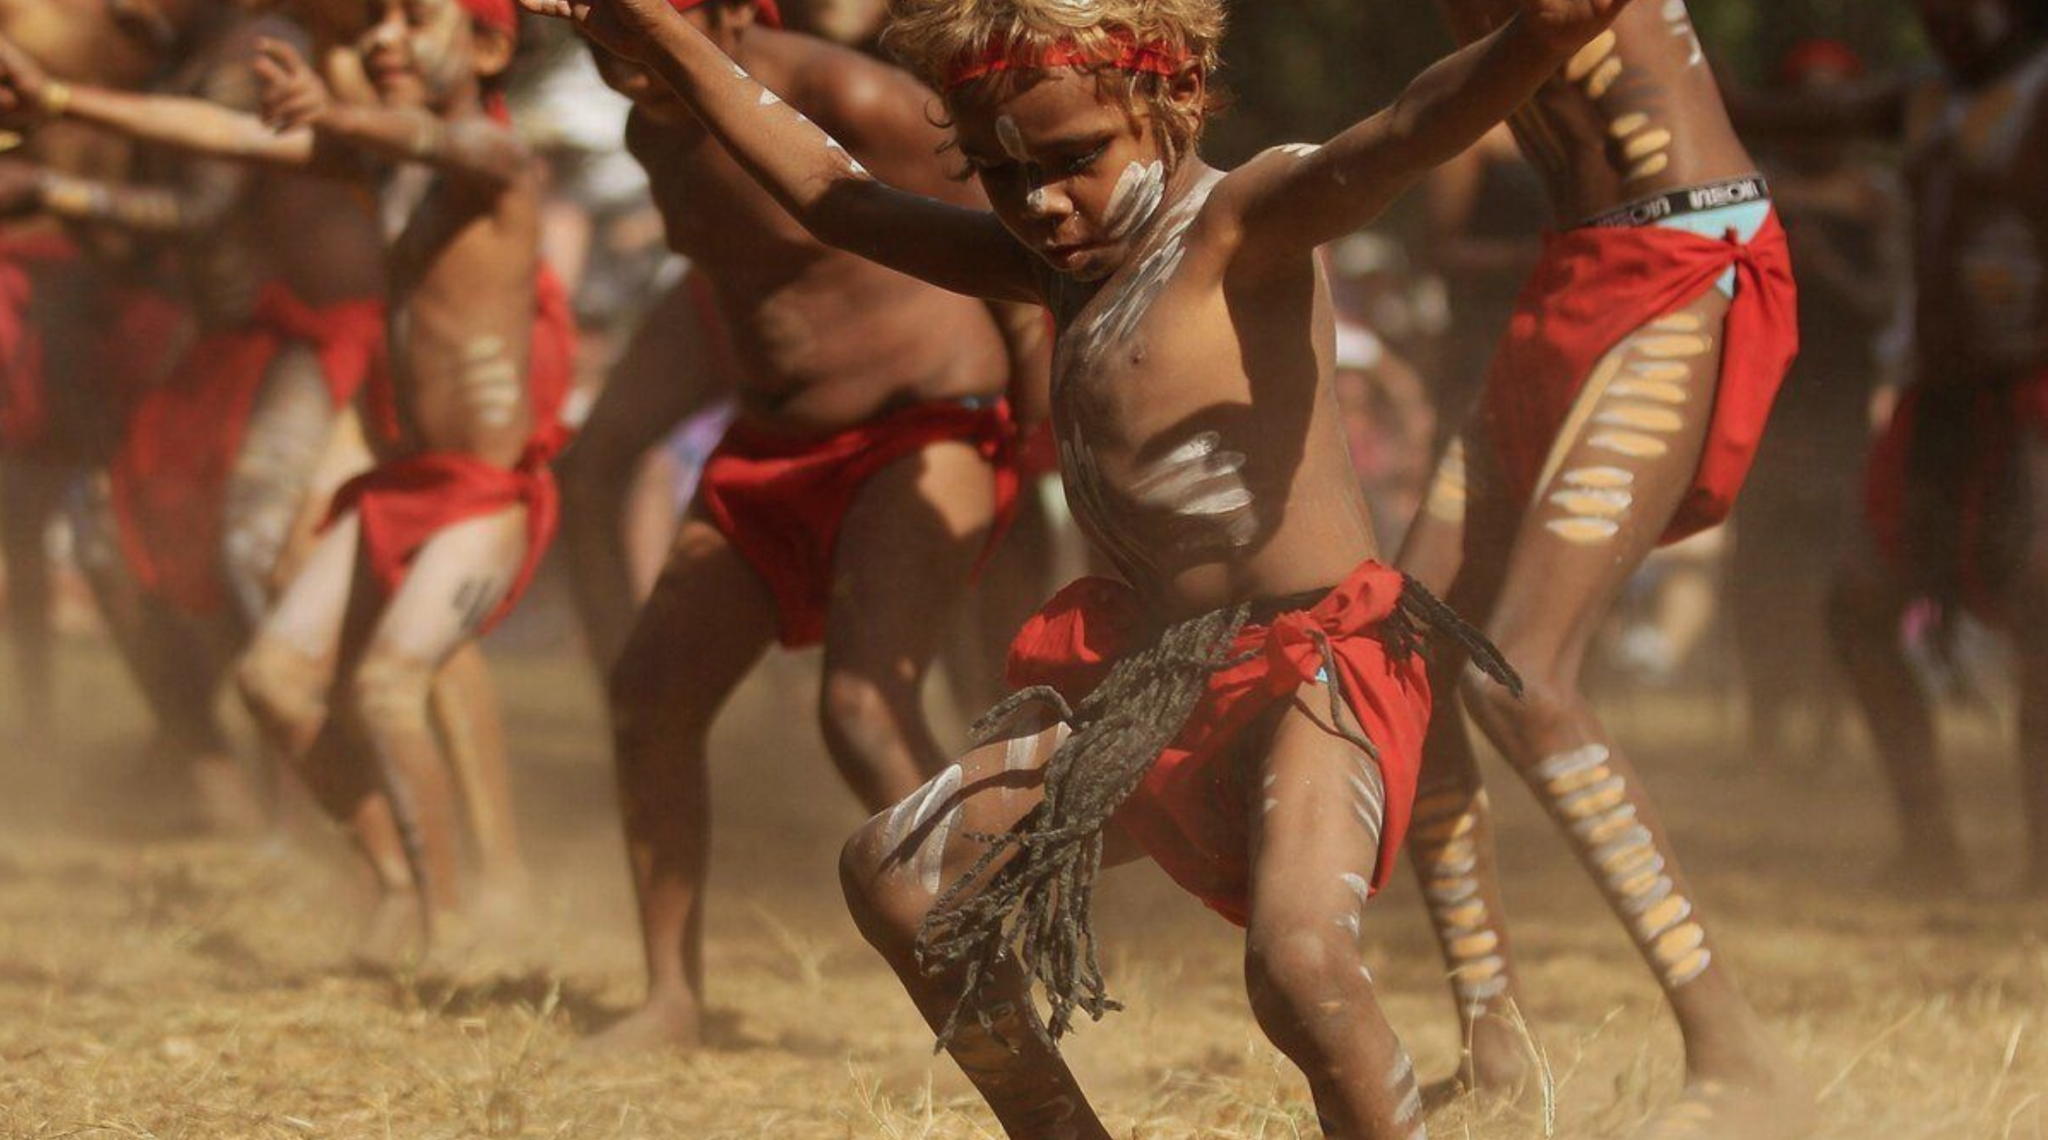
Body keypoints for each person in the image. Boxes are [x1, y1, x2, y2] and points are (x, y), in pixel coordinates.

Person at [527, 0, 1632, 1133]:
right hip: (1158, 678)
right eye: (1003, 179)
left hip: (1315, 668)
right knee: (894, 875)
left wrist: (1539, 38)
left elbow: (1406, 127)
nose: (1041, 205)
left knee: (1300, 969)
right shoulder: (1056, 267)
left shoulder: (1249, 219)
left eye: (1073, 162)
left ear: (1170, 103)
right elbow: (831, 196)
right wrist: (659, 38)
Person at [0, 0, 573, 951]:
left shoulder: (493, 155)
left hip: (471, 475)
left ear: (487, 45)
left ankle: (462, 916)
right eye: (378, 22)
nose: (382, 39)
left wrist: (329, 113)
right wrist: (62, 97)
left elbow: (435, 138)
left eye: (412, 20)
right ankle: (392, 878)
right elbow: (227, 134)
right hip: (401, 462)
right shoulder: (378, 158)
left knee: (392, 677)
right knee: (276, 679)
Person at [559, 0, 1049, 1051]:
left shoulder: (855, 98)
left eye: (643, 20)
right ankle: (671, 1000)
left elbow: (1023, 245)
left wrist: (1049, 433)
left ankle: (994, 996)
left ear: (734, 14)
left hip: (928, 433)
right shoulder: (652, 119)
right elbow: (737, 272)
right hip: (766, 449)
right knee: (647, 699)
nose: (620, 51)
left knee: (864, 710)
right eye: (598, 31)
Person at [1391, 0, 1807, 1131]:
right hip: (1570, 271)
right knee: (1400, 656)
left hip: (1679, 258)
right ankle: (1493, 1052)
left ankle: (1732, 1050)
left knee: (1515, 673)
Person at [1739, 0, 2048, 890]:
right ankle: (1930, 844)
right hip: (1943, 396)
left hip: (2034, 393)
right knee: (1861, 605)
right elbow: (1783, 117)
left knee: (2041, 611)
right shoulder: (1925, 97)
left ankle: (2040, 864)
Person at [1729, 39, 1901, 761]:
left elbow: (1884, 303)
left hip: (1840, 419)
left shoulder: (1873, 197)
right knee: (1759, 575)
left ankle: (1831, 731)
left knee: (1839, 577)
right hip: (1764, 414)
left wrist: (1823, 267)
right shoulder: (1751, 191)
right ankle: (1767, 726)